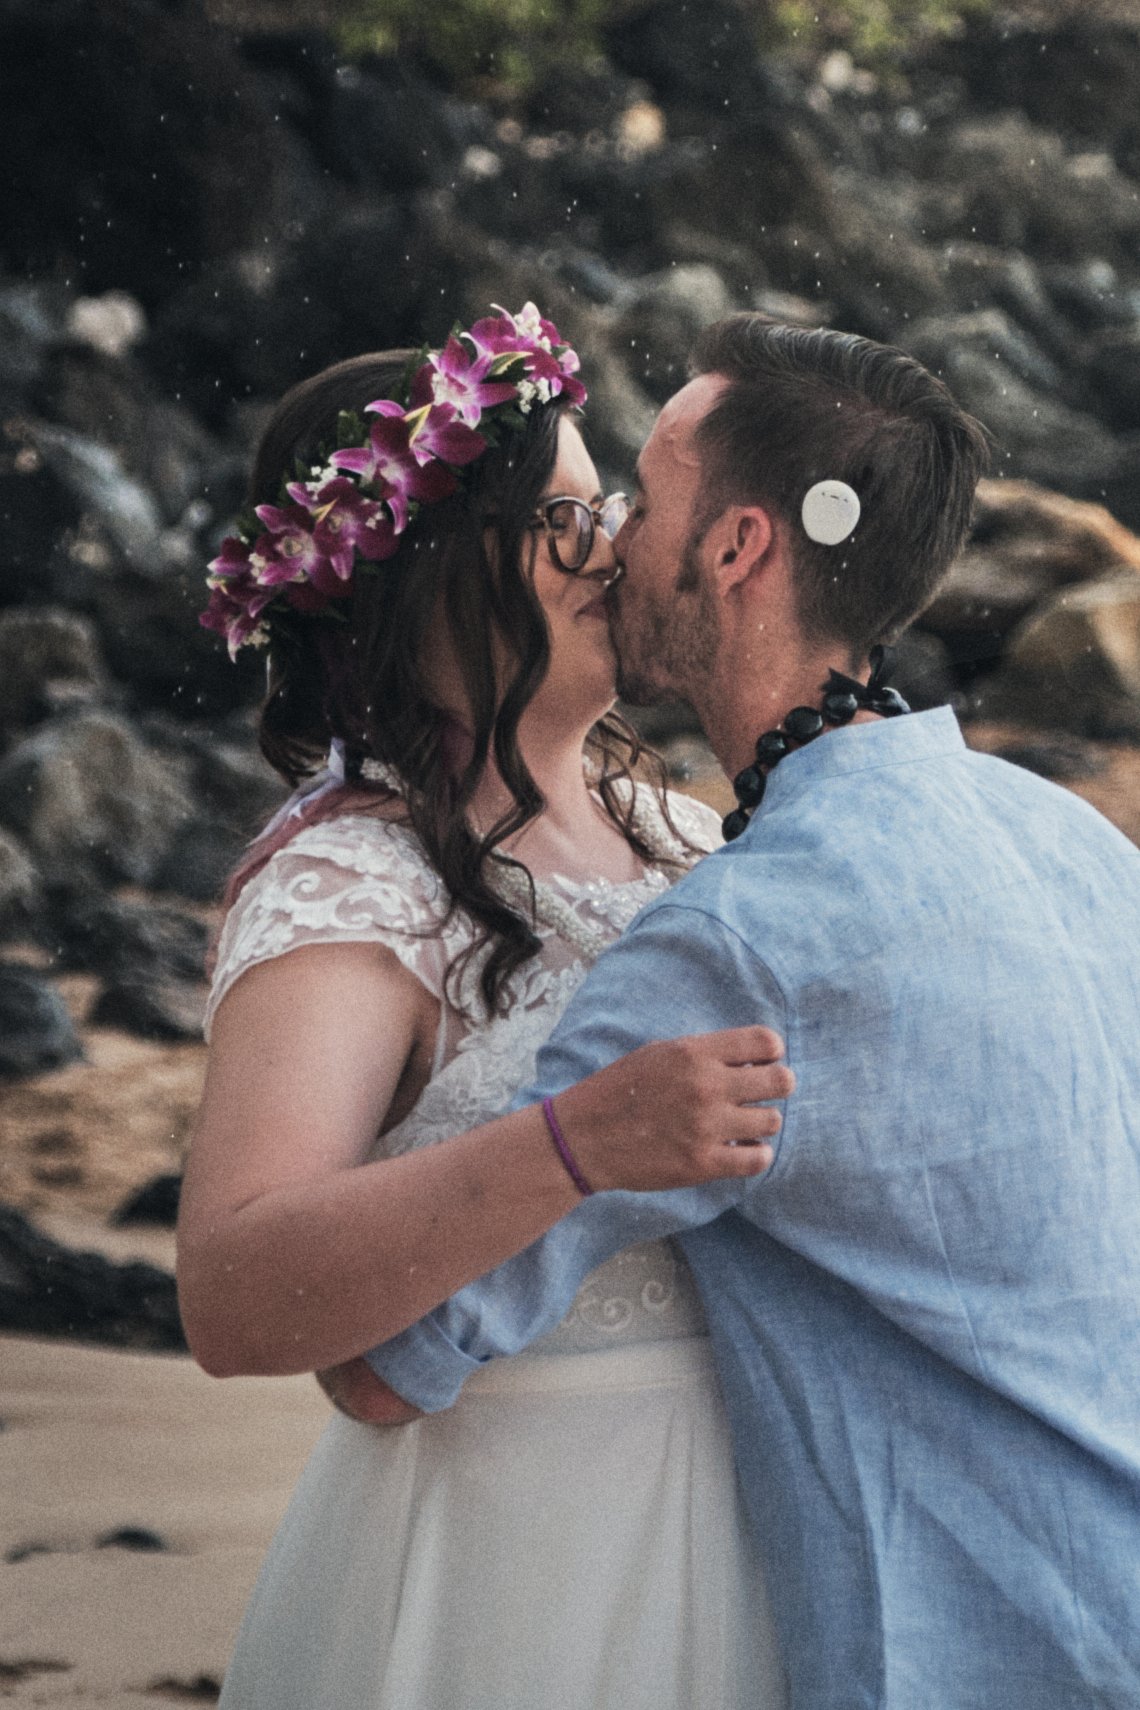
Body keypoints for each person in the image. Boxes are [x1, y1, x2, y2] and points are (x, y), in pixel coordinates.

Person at [359, 315, 1140, 1708]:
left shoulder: (737, 940)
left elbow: (390, 1363)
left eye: (644, 501)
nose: (609, 539)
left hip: (974, 1657)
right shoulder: (1073, 839)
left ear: (736, 549)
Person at [177, 305, 793, 1710]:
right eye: (566, 517)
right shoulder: (355, 880)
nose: (618, 547)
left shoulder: (690, 838)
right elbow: (232, 1294)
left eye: (611, 507)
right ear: (434, 570)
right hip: (513, 1561)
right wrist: (576, 1143)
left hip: (760, 1522)